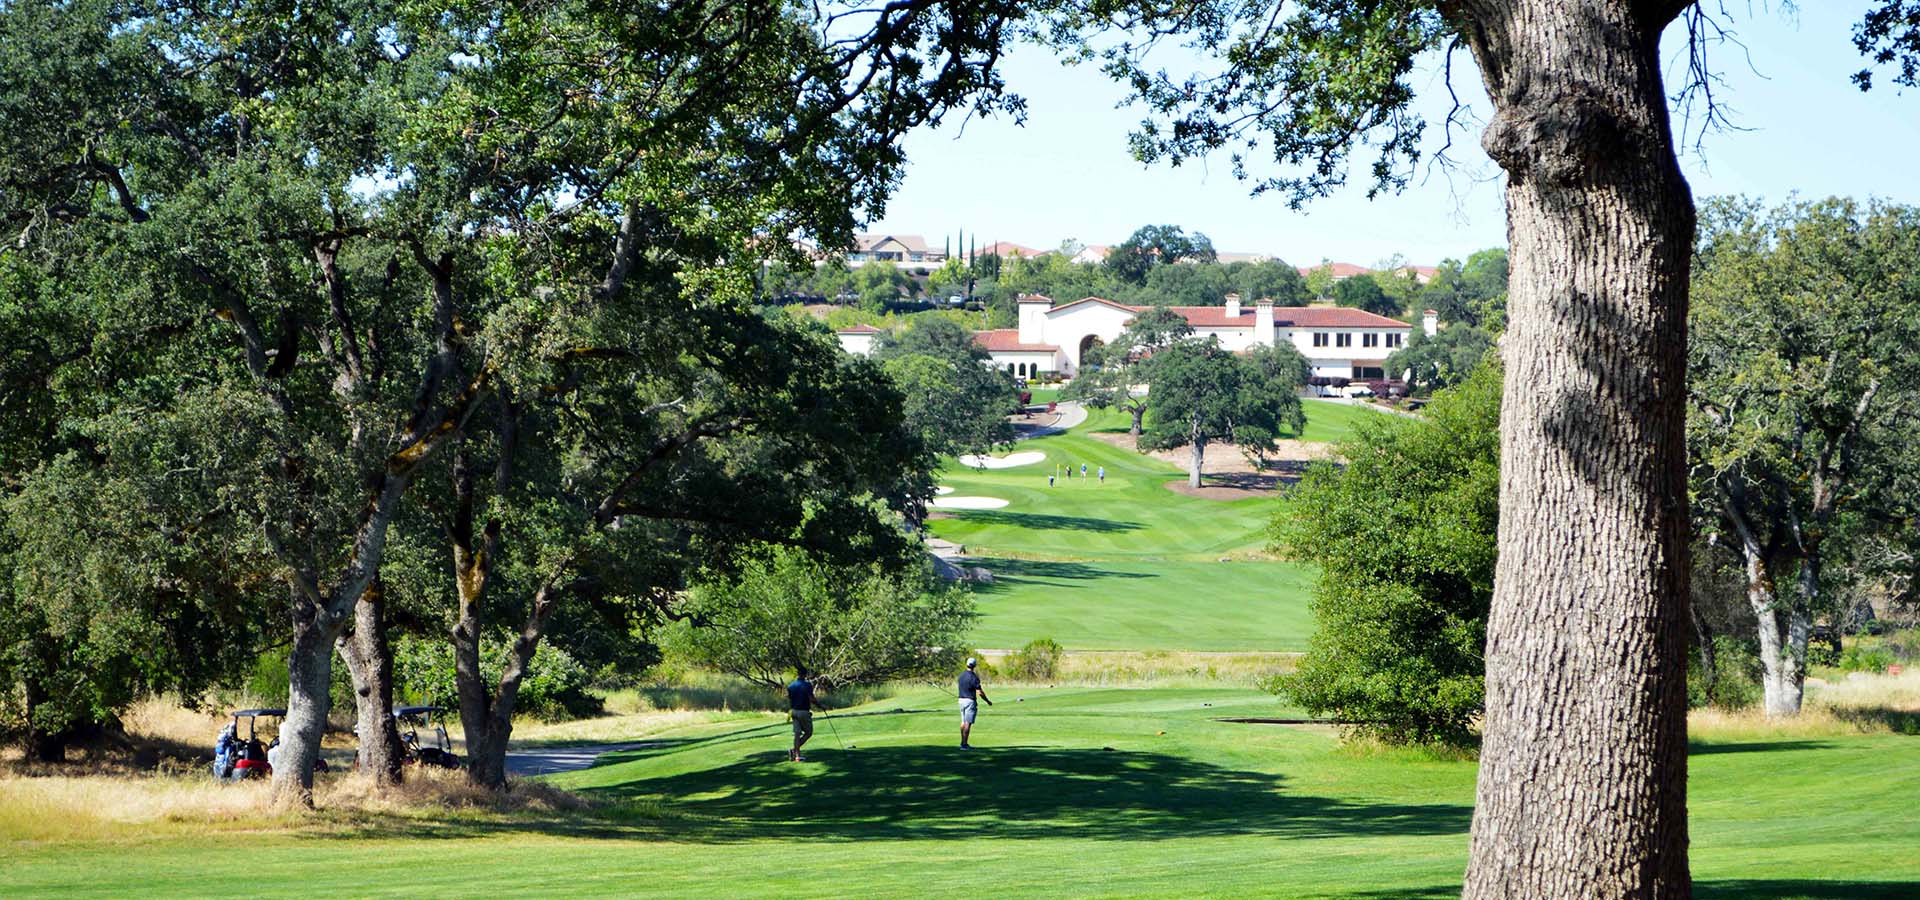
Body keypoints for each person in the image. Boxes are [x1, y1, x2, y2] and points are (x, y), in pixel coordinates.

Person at [788, 666, 821, 762]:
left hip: (793, 711)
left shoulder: (791, 686)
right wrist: (820, 705)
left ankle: (796, 755)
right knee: (808, 732)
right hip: (804, 711)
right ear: (805, 674)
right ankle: (794, 751)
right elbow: (811, 698)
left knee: (797, 733)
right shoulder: (807, 685)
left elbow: (790, 699)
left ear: (798, 674)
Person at [958, 657, 992, 749]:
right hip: (970, 701)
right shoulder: (973, 677)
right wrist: (988, 701)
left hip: (961, 700)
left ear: (967, 664)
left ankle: (962, 743)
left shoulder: (961, 675)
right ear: (974, 666)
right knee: (967, 723)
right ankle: (964, 745)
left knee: (963, 722)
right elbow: (980, 692)